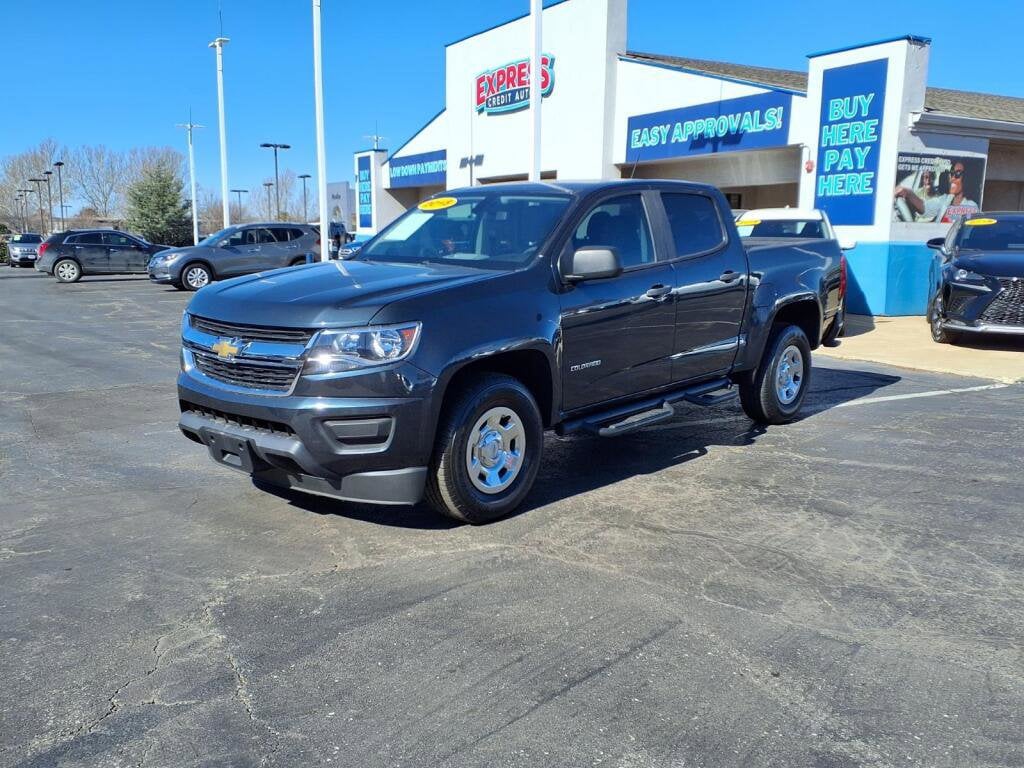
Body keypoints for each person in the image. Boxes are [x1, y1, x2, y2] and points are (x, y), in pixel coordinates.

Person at [895, 160, 979, 223]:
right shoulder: (944, 200)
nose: (952, 178)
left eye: (957, 174)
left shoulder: (971, 205)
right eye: (951, 174)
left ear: (966, 178)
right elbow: (924, 207)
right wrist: (907, 192)